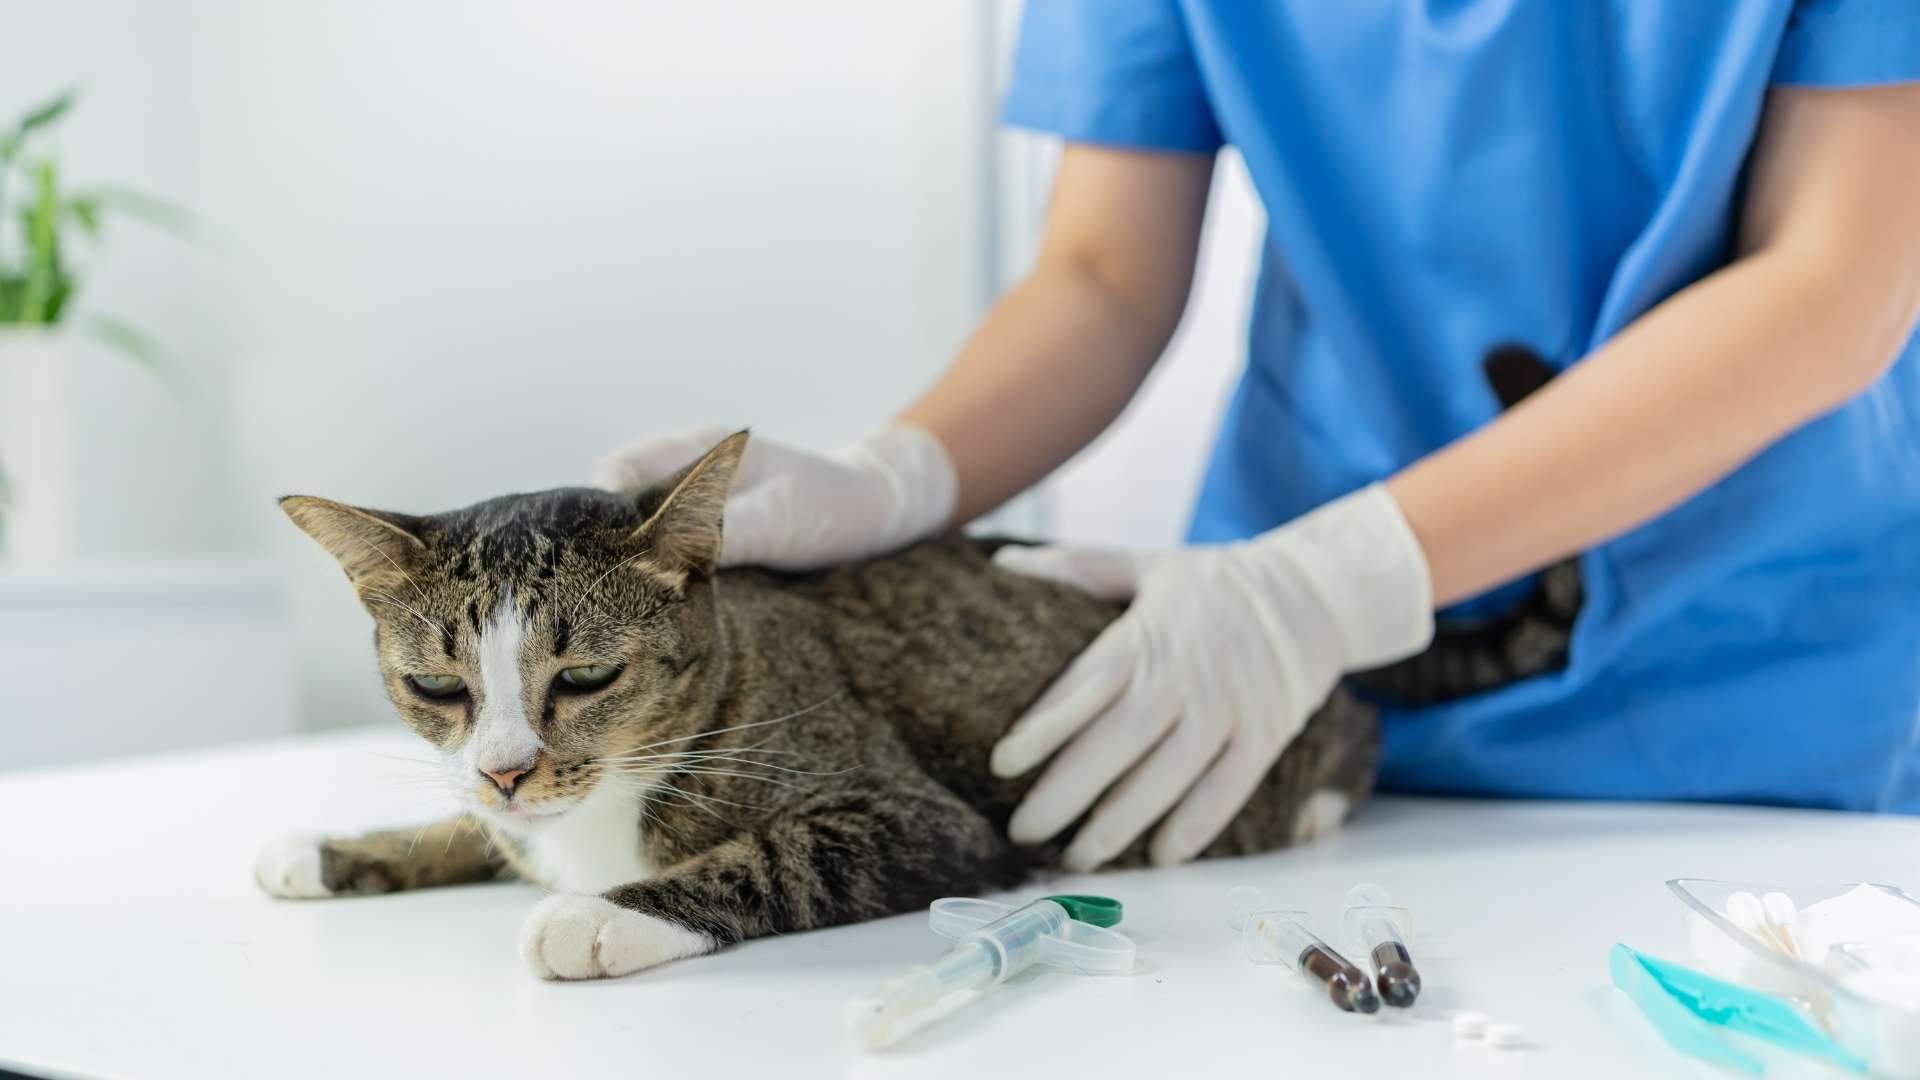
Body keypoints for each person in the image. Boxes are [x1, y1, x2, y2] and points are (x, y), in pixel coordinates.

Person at [594, 3, 1920, 872]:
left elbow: (1834, 288)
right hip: (1274, 712)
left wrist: (1328, 584)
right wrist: (901, 473)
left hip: (1753, 702)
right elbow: (1103, 276)